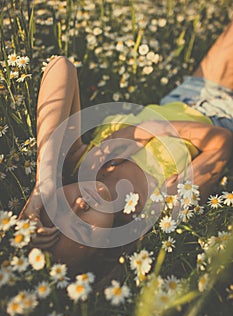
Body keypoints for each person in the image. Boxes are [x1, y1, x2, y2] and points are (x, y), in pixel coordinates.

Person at [20, 21, 233, 284]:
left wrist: (45, 179)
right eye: (81, 228)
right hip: (224, 114)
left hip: (187, 94)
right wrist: (144, 129)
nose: (79, 204)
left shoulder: (81, 161)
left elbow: (60, 66)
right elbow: (221, 143)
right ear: (104, 246)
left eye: (59, 208)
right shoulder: (158, 209)